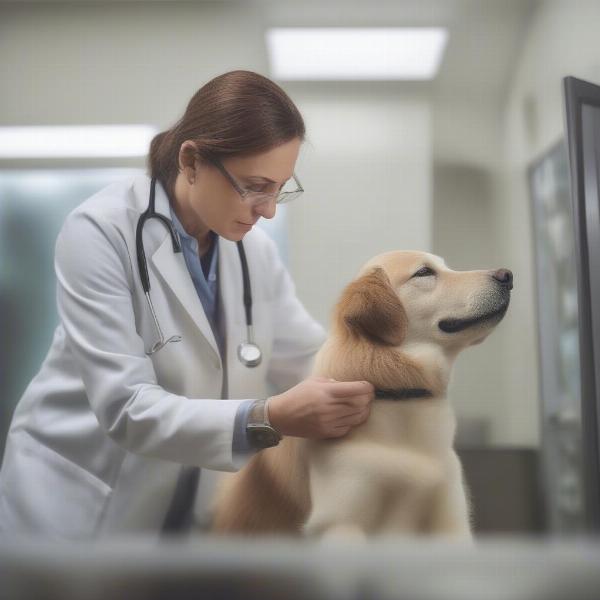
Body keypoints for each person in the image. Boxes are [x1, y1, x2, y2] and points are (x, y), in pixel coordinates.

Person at [0, 70, 374, 540]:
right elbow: (127, 408)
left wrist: (393, 373)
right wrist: (268, 417)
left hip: (184, 511)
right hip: (77, 509)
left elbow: (310, 359)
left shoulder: (254, 252)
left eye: (279, 188)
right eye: (254, 186)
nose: (269, 209)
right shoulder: (100, 231)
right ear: (192, 161)